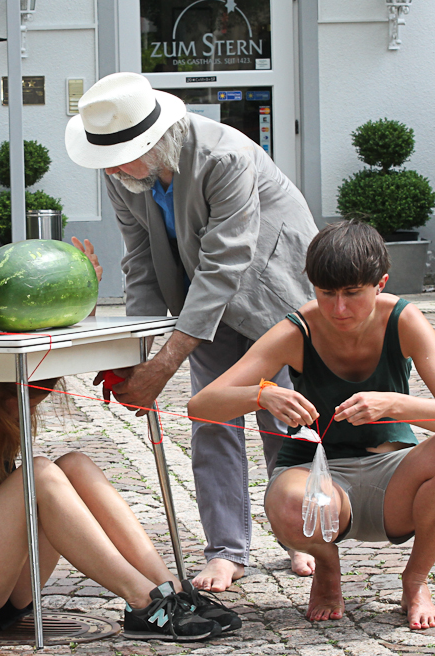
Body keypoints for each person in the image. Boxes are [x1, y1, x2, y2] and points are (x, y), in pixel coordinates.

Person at [0, 265, 240, 641]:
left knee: (75, 464)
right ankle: (143, 601)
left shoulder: (4, 410)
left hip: (5, 591)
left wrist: (79, 290)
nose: (23, 409)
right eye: (18, 398)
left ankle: (172, 591)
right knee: (39, 473)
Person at [64, 72, 319, 593]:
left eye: (125, 156)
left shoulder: (223, 157)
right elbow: (141, 262)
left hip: (271, 280)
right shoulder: (123, 172)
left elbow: (225, 264)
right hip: (200, 292)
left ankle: (300, 533)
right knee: (212, 412)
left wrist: (164, 363)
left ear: (157, 140)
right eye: (108, 159)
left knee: (282, 404)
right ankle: (228, 549)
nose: (114, 169)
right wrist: (134, 353)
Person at [188, 221, 435, 629]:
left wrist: (394, 404)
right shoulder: (297, 329)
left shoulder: (403, 319)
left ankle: (415, 580)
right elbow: (201, 406)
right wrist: (261, 394)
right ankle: (327, 568)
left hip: (393, 482)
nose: (338, 309)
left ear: (380, 284)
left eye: (352, 294)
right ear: (311, 285)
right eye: (326, 293)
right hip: (314, 478)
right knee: (290, 503)